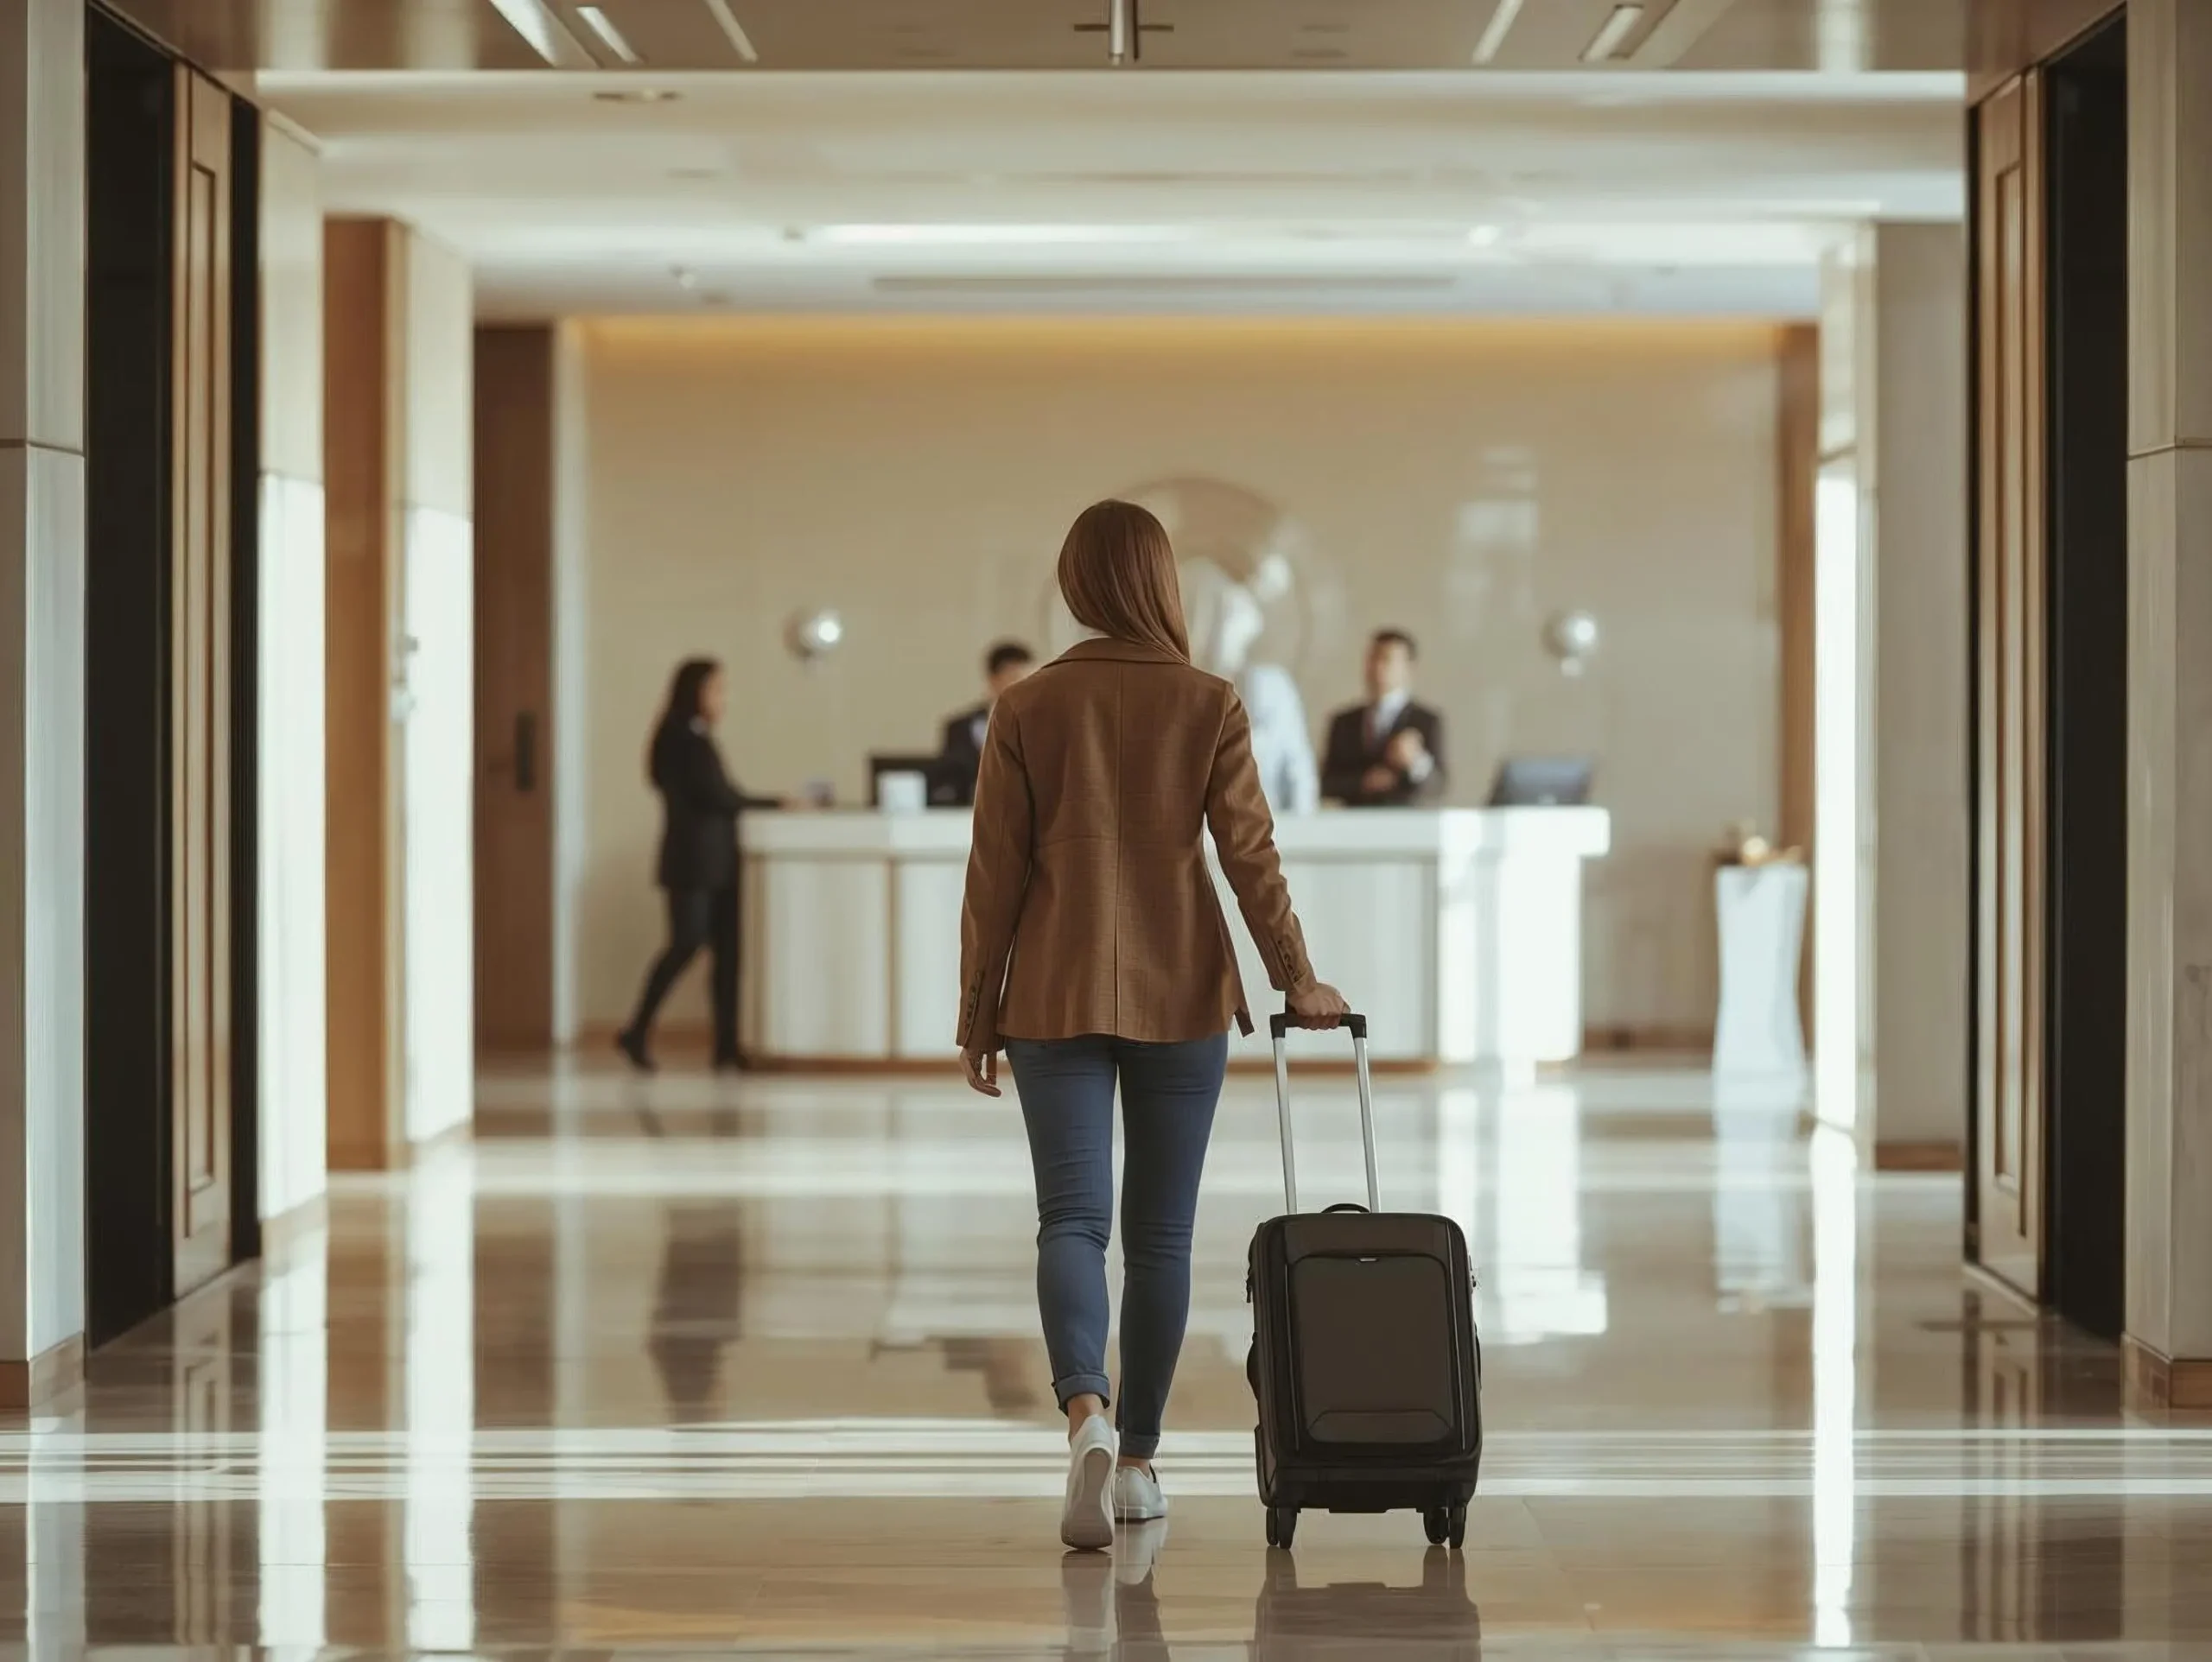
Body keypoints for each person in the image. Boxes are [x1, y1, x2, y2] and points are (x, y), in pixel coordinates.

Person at [956, 499, 1351, 1552]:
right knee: (1161, 1236)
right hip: (1181, 993)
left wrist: (975, 1014)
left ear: (1078, 585)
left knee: (1071, 1222)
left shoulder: (1028, 707)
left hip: (1052, 989)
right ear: (1164, 582)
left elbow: (993, 876)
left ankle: (1082, 1408)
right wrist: (1297, 976)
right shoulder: (1208, 701)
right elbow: (1248, 856)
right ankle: (1135, 1459)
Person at [616, 657, 785, 1074]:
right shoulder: (679, 738)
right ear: (694, 692)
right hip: (691, 864)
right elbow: (719, 796)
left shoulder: (699, 737)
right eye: (715, 690)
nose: (721, 699)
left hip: (719, 862)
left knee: (728, 956)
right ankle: (637, 1029)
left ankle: (726, 1045)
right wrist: (776, 802)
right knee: (685, 943)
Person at [1183, 555, 1319, 816]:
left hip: (1267, 836)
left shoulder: (1274, 688)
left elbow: (1299, 775)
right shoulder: (1177, 692)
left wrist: (1301, 838)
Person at [1319, 628, 1448, 806]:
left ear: (1408, 668)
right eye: (1372, 659)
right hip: (1352, 825)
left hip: (1406, 824)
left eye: (1386, 659)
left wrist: (1416, 761)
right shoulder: (1343, 722)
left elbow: (1438, 785)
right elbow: (1325, 783)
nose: (1377, 667)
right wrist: (1364, 782)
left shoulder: (1426, 720)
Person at [938, 641, 1036, 805]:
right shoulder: (959, 727)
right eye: (1014, 677)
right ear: (993, 679)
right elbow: (948, 779)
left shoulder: (1043, 725)